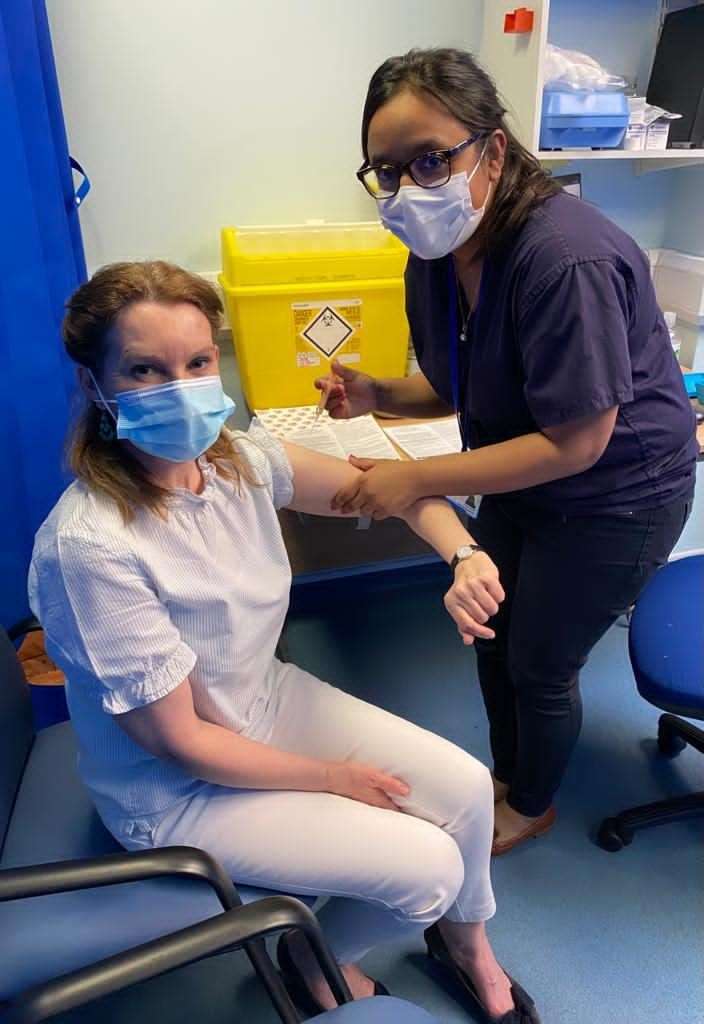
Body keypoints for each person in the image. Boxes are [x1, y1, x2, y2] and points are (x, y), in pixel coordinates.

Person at [28, 261, 540, 1024]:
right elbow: (181, 743)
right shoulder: (92, 546)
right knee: (427, 867)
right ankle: (316, 955)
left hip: (261, 700)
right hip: (175, 789)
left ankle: (468, 948)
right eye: (145, 369)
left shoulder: (236, 460)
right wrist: (331, 777)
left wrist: (462, 555)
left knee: (467, 789)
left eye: (198, 363)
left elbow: (383, 488)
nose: (182, 386)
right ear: (98, 387)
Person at [316, 48, 697, 856]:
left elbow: (577, 440)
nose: (408, 188)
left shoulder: (565, 260)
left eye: (430, 160)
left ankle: (531, 802)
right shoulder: (439, 253)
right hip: (523, 477)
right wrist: (380, 393)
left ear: (492, 149)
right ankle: (507, 772)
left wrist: (412, 479)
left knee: (540, 660)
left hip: (617, 493)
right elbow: (462, 385)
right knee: (491, 632)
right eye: (386, 171)